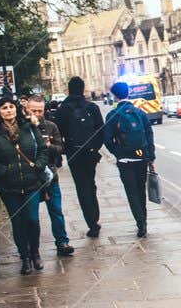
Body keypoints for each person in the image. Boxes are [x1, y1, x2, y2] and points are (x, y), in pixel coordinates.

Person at [0, 91, 51, 274]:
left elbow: (43, 150)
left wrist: (38, 166)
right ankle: (25, 257)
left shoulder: (29, 127)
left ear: (16, 109)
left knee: (32, 220)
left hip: (31, 183)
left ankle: (35, 252)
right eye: (4, 108)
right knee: (18, 223)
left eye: (11, 106)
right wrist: (4, 171)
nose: (8, 110)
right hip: (9, 187)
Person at [102, 79, 156, 238]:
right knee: (141, 191)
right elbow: (149, 135)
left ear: (114, 96)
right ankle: (144, 222)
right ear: (129, 93)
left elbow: (107, 140)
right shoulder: (139, 113)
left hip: (125, 161)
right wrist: (150, 156)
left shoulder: (112, 115)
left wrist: (118, 153)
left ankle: (140, 224)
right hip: (141, 159)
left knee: (131, 193)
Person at [54, 76, 106, 237]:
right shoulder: (92, 107)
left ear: (68, 90)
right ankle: (95, 217)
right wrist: (94, 148)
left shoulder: (63, 109)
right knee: (91, 184)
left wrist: (65, 151)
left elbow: (58, 133)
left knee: (82, 187)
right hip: (91, 153)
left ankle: (92, 223)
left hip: (74, 153)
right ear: (83, 89)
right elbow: (101, 131)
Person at [23, 93, 74, 258]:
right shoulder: (22, 128)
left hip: (50, 175)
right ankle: (32, 248)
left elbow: (61, 149)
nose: (38, 114)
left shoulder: (51, 126)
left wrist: (50, 146)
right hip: (30, 178)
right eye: (34, 111)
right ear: (27, 109)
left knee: (56, 210)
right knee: (31, 217)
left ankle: (62, 242)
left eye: (40, 110)